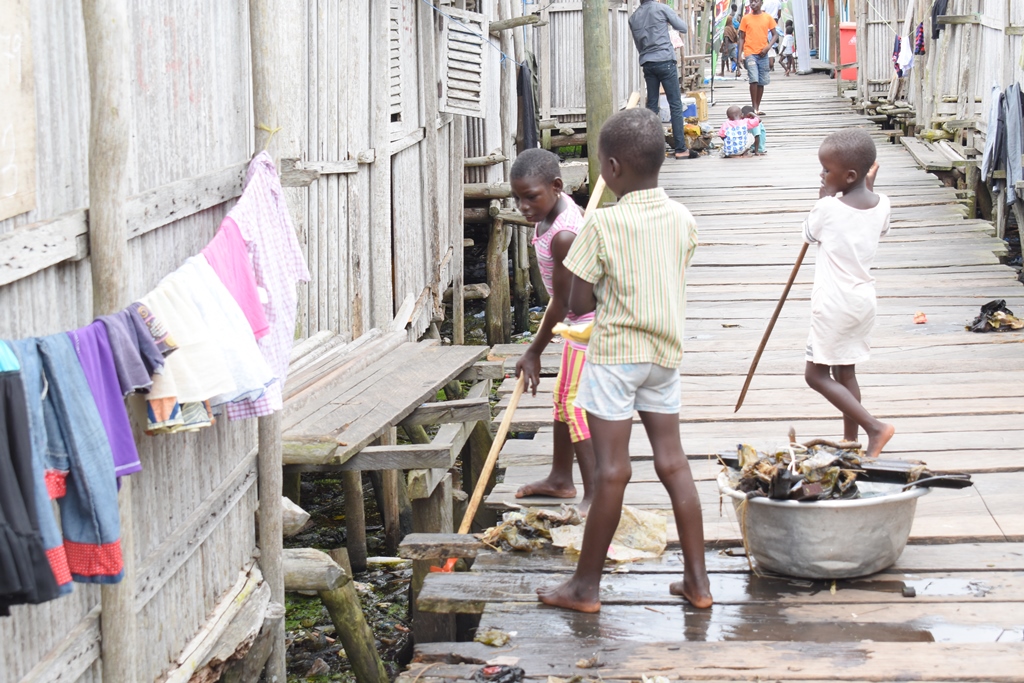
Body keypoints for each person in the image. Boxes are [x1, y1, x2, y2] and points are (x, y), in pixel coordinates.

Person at [536, 108, 713, 613]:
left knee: (613, 471)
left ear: (611, 168)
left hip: (615, 357)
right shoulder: (683, 217)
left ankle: (585, 587)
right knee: (673, 463)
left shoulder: (602, 224)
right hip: (664, 355)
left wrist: (574, 268)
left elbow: (579, 304)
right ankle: (698, 583)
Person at [510, 149, 597, 514]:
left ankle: (596, 494)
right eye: (516, 198)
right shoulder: (550, 212)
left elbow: (562, 303)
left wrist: (533, 351)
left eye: (530, 197)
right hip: (574, 322)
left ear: (557, 187)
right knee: (562, 400)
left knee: (573, 405)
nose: (523, 206)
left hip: (587, 325)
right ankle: (561, 478)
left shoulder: (564, 235)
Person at [803, 128, 895, 459]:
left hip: (833, 305)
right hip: (862, 302)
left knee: (815, 375)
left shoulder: (828, 209)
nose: (822, 174)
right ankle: (851, 442)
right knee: (846, 371)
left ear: (850, 175)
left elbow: (809, 234)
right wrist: (862, 187)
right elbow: (875, 220)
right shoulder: (883, 203)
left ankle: (874, 427)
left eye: (827, 170)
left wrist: (823, 198)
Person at [629, 0, 696, 160]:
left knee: (652, 105)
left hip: (647, 62)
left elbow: (639, 44)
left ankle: (650, 149)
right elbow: (683, 28)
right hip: (665, 60)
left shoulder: (633, 17)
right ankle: (680, 148)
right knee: (675, 104)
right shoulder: (662, 8)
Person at [736, 0, 778, 115]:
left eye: (755, 1)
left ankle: (757, 107)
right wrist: (739, 55)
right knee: (753, 79)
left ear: (761, 2)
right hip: (750, 53)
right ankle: (753, 108)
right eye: (751, 1)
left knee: (761, 82)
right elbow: (741, 38)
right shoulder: (745, 18)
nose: (753, 3)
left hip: (763, 54)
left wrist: (768, 47)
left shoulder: (767, 18)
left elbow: (775, 34)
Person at [720, 7, 740, 77]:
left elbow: (726, 37)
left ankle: (722, 72)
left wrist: (725, 48)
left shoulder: (726, 28)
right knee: (734, 58)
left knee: (723, 59)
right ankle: (738, 71)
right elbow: (736, 37)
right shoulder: (733, 28)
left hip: (728, 45)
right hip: (734, 45)